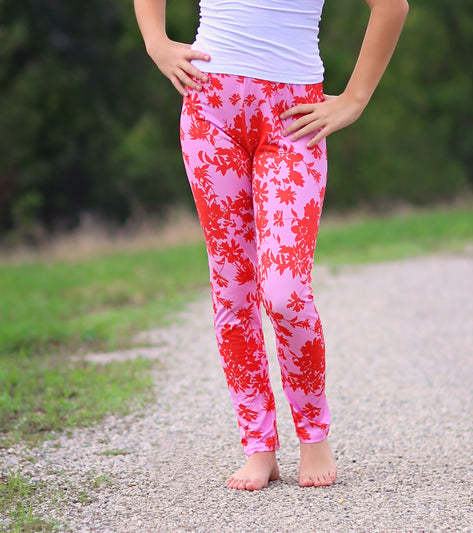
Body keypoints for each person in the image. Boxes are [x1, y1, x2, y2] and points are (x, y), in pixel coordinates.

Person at [134, 0, 408, 491]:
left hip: (293, 117)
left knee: (285, 291)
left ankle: (314, 435)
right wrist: (156, 42)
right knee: (234, 288)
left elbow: (391, 6)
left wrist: (354, 98)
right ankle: (258, 445)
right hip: (209, 108)